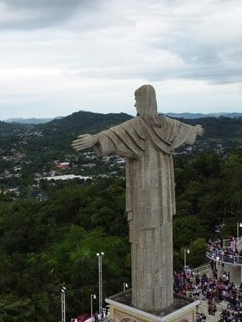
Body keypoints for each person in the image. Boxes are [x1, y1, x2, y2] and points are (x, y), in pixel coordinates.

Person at [72, 85, 204, 311]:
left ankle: (152, 302)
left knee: (152, 235)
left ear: (144, 102)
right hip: (159, 195)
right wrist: (196, 130)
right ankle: (153, 299)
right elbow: (186, 131)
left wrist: (94, 139)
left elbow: (115, 133)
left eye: (136, 101)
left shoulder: (140, 126)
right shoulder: (167, 125)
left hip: (146, 195)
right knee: (150, 236)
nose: (134, 106)